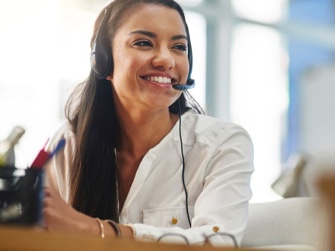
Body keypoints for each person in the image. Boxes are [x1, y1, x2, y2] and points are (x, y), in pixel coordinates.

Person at [43, 0, 254, 247]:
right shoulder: (67, 143)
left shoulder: (222, 144)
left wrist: (95, 230)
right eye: (143, 43)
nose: (166, 60)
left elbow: (219, 242)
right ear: (103, 61)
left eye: (178, 46)